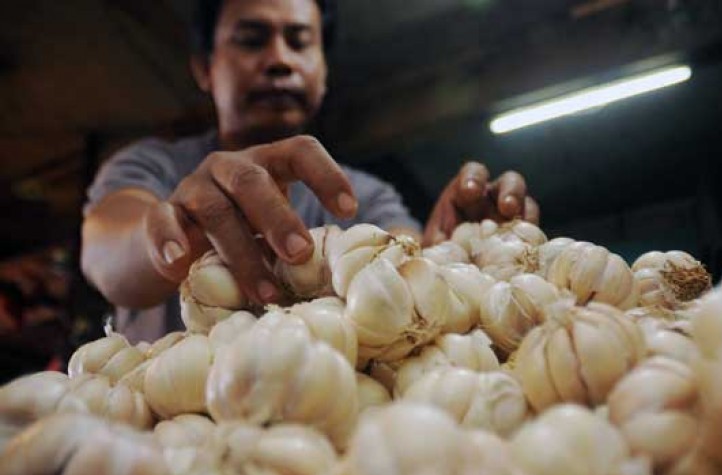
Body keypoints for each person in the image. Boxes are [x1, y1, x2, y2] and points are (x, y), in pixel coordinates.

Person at [81, 0, 539, 343]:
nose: (280, 59)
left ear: (322, 73)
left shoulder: (365, 194)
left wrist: (455, 259)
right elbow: (106, 258)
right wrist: (175, 235)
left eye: (299, 41)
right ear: (204, 68)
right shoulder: (152, 165)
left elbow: (407, 263)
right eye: (252, 39)